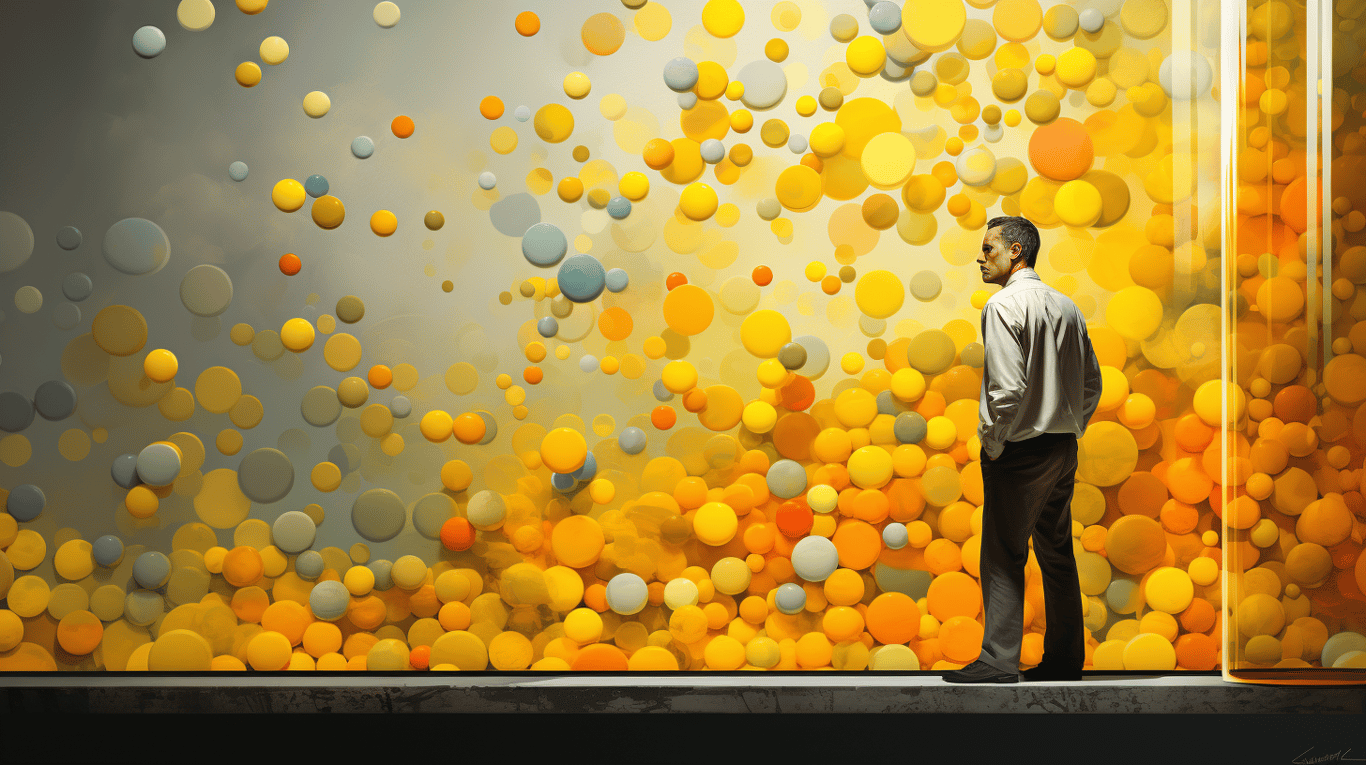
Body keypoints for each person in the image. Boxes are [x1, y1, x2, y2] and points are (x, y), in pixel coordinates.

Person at [942, 216, 1102, 684]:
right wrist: (1072, 426)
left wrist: (993, 444)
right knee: (1056, 552)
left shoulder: (1003, 305)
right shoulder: (1066, 306)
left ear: (1016, 251)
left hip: (1020, 449)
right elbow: (1092, 382)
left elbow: (1006, 391)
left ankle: (996, 661)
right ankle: (1065, 660)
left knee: (1002, 552)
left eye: (988, 247)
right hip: (1061, 448)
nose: (980, 256)